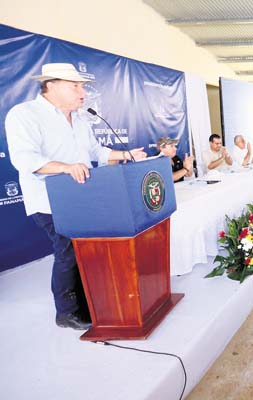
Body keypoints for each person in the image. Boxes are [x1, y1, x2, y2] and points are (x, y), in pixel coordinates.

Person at [5, 63, 148, 330]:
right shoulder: (24, 114)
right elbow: (25, 159)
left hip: (83, 198)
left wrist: (127, 155)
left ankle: (91, 301)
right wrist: (65, 167)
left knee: (88, 250)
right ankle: (67, 312)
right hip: (49, 200)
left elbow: (96, 152)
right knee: (68, 250)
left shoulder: (80, 119)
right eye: (76, 86)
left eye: (83, 86)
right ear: (51, 85)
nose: (83, 92)